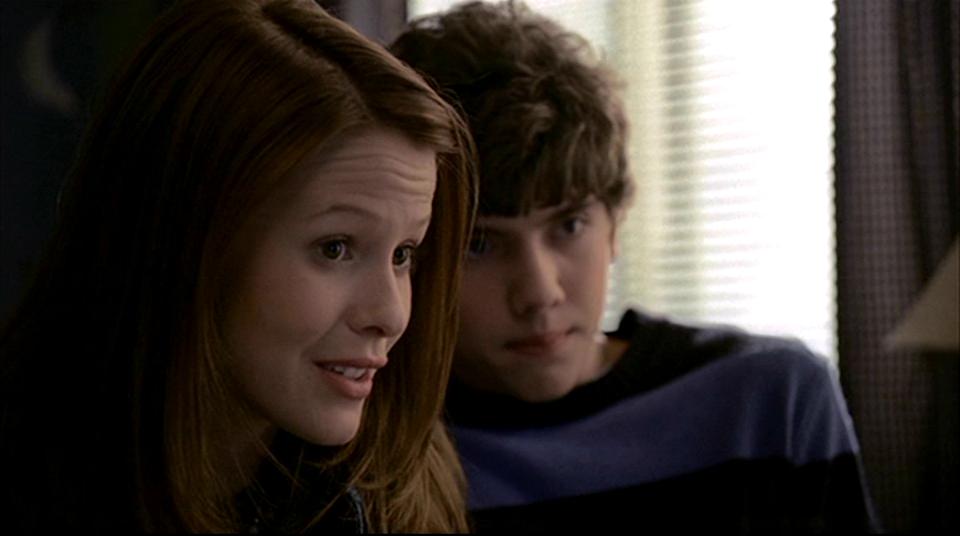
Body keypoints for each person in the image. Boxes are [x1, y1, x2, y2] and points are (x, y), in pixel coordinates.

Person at [391, 1, 879, 532]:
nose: (540, 292)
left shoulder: (770, 401)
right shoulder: (384, 451)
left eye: (570, 225)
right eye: (480, 244)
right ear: (410, 256)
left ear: (615, 226)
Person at [0, 0, 476, 532]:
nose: (390, 315)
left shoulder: (400, 483)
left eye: (403, 254)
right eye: (335, 248)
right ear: (186, 240)